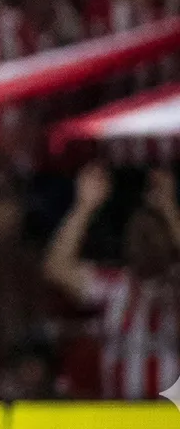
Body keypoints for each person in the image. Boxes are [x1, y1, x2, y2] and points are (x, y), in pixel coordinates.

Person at [42, 163, 180, 400]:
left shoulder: (175, 285)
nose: (144, 240)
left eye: (153, 232)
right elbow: (56, 267)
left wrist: (169, 209)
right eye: (138, 233)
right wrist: (84, 207)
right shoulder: (115, 285)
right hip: (121, 418)